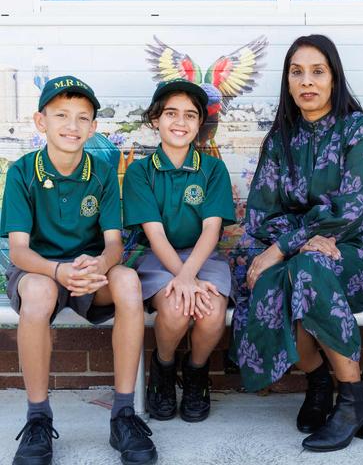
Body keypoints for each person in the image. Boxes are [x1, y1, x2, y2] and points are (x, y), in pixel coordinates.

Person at [230, 34, 363, 452]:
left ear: (334, 78)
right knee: (282, 276)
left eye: (317, 71)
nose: (307, 81)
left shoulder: (361, 131)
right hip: (307, 257)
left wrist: (287, 244)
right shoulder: (280, 140)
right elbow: (259, 214)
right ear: (288, 82)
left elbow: (353, 209)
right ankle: (319, 382)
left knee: (303, 270)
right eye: (297, 72)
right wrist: (303, 241)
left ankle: (353, 400)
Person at [1, 76, 157, 465]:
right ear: (41, 122)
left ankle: (123, 414)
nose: (71, 126)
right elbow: (19, 251)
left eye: (82, 118)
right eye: (61, 115)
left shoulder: (102, 172)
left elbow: (113, 244)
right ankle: (38, 419)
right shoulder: (22, 172)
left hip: (89, 272)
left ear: (93, 127)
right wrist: (58, 271)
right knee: (37, 293)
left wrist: (101, 264)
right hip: (41, 271)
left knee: (128, 282)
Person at [122, 78, 236, 423]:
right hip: (159, 257)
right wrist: (183, 278)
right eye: (171, 113)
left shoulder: (212, 168)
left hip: (203, 256)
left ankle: (196, 373)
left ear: (200, 123)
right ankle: (164, 369)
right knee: (174, 311)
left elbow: (211, 230)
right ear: (155, 119)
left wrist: (191, 275)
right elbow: (154, 235)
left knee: (211, 312)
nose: (180, 122)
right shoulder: (140, 171)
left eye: (190, 115)